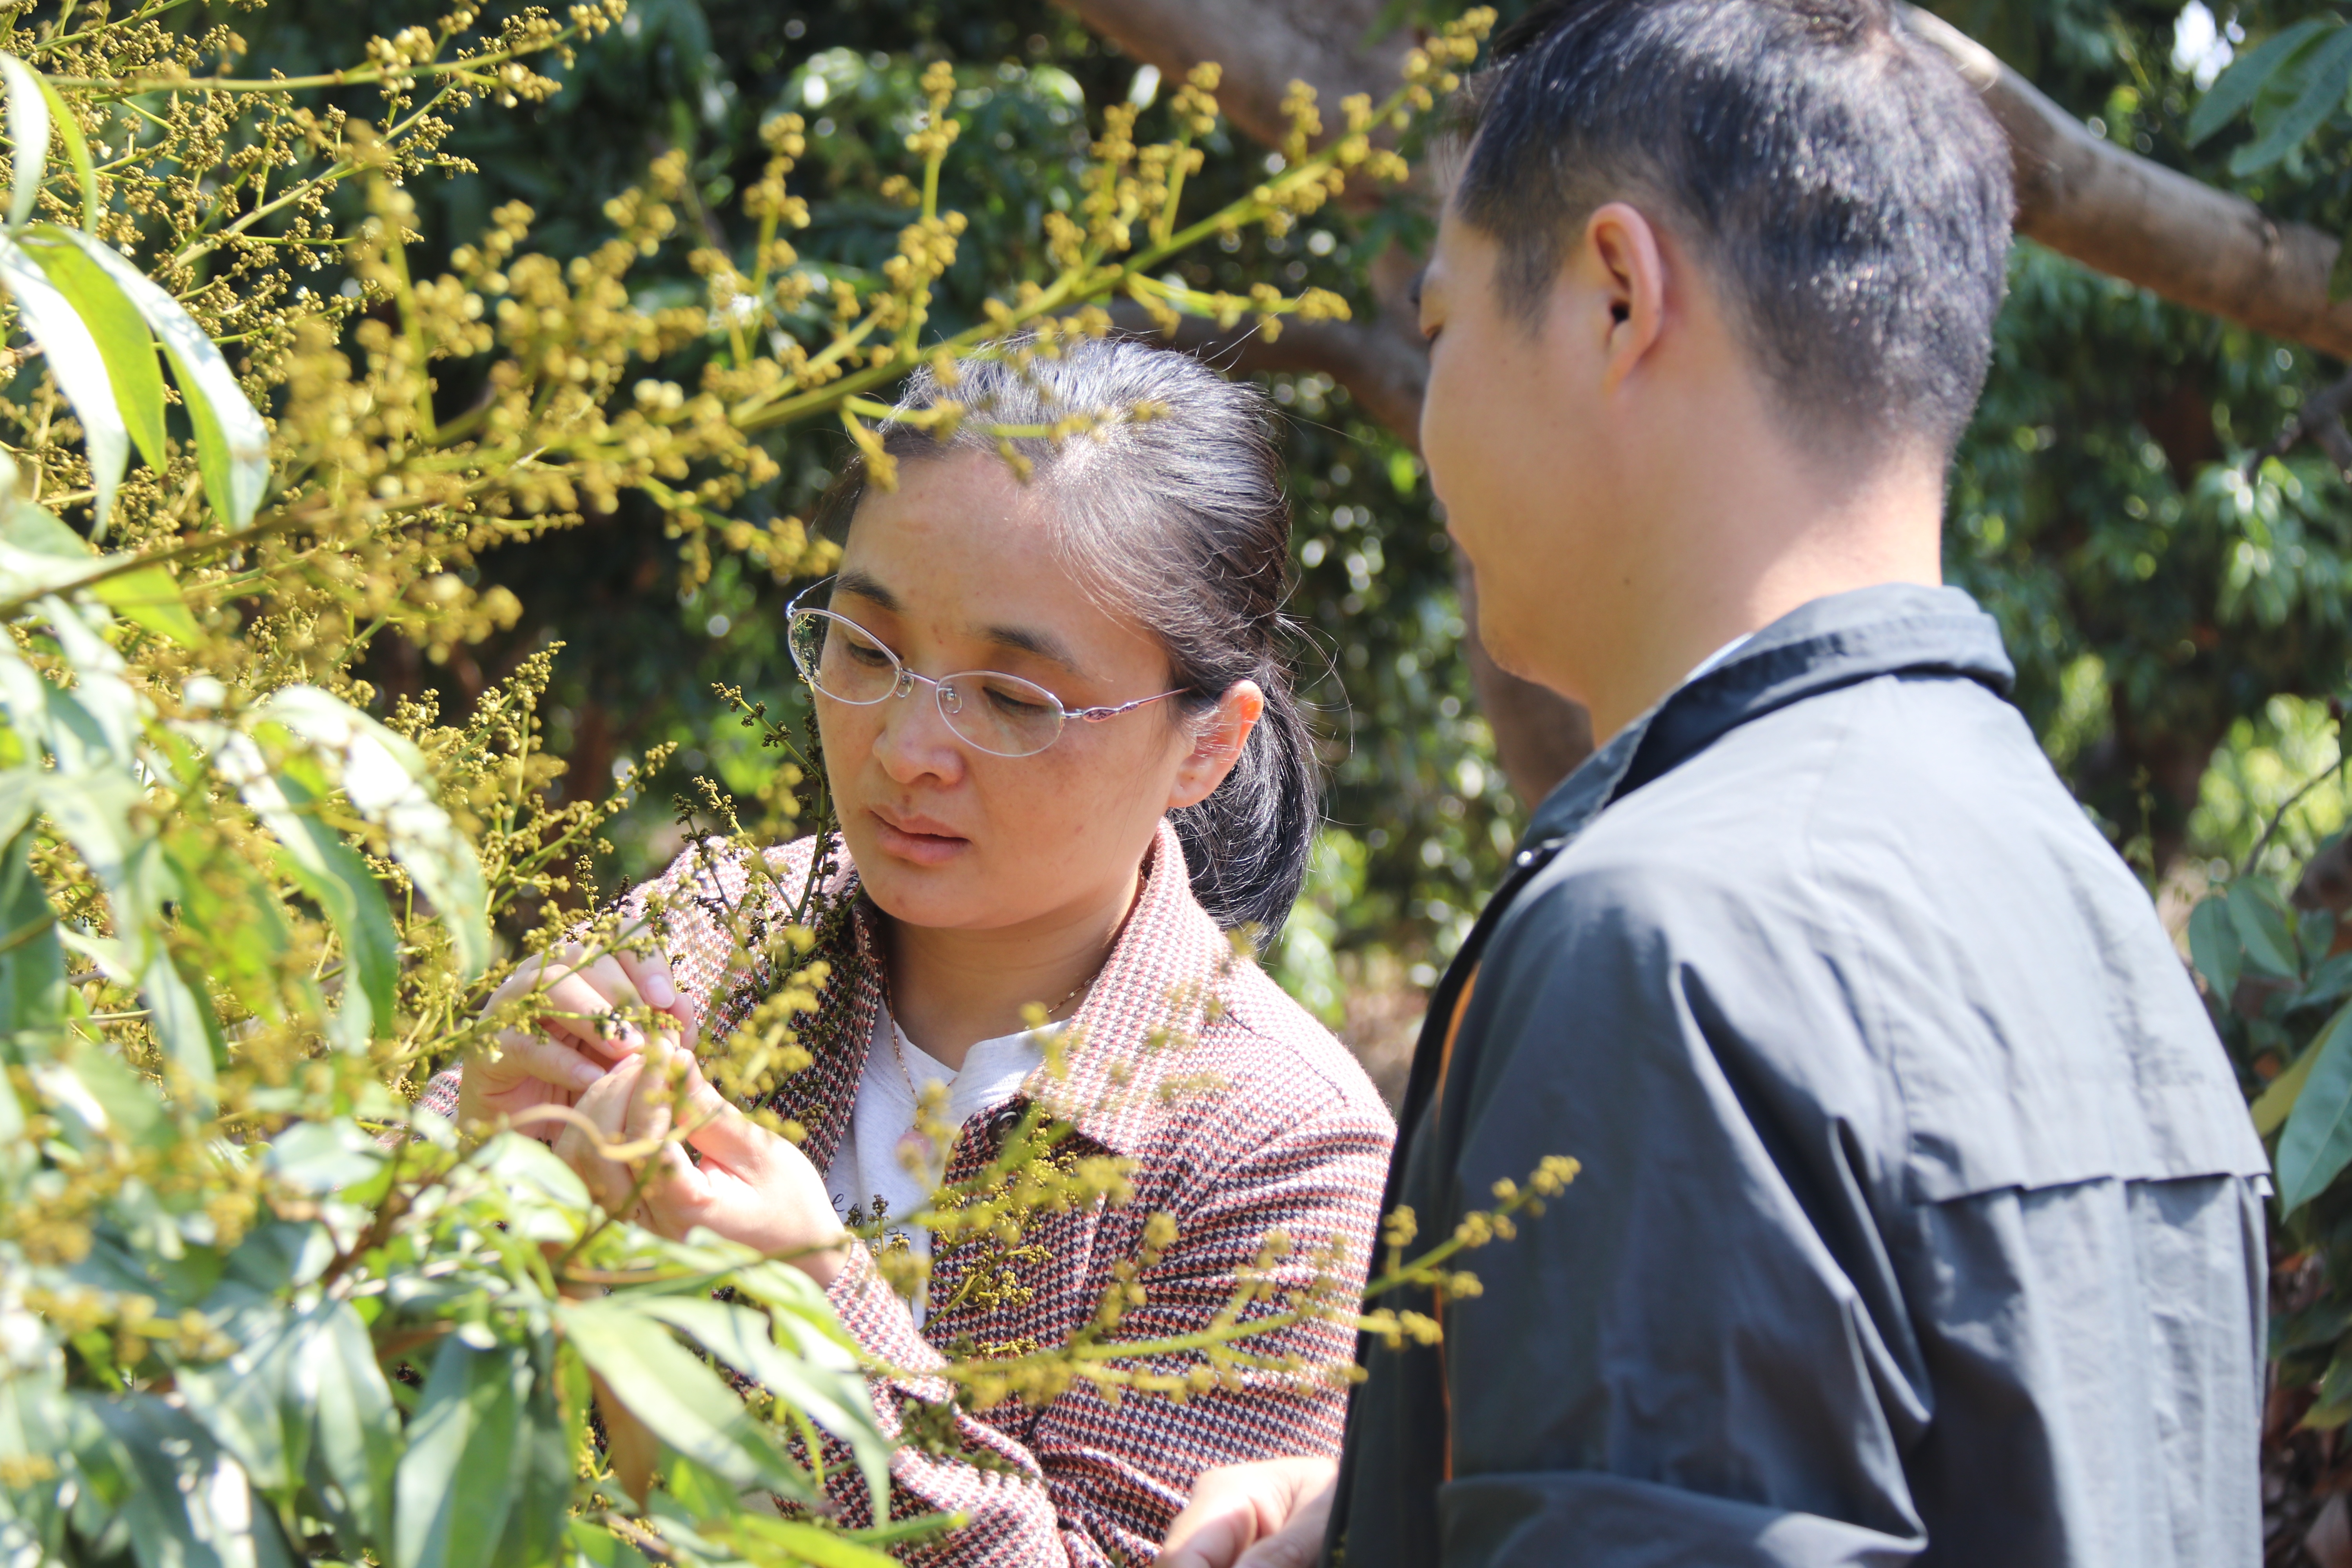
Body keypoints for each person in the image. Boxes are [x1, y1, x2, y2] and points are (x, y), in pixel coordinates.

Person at [1161, 2, 2270, 1565]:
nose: (1426, 427)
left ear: (1616, 295)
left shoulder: (1666, 945)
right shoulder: (2095, 930)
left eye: (1440, 328)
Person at [421, 338, 1395, 1563]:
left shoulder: (1281, 1152)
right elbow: (338, 1333)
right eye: (867, 650)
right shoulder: (716, 933)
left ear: (1206, 746)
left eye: (1012, 699)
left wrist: (807, 1311)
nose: (905, 748)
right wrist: (456, 1177)